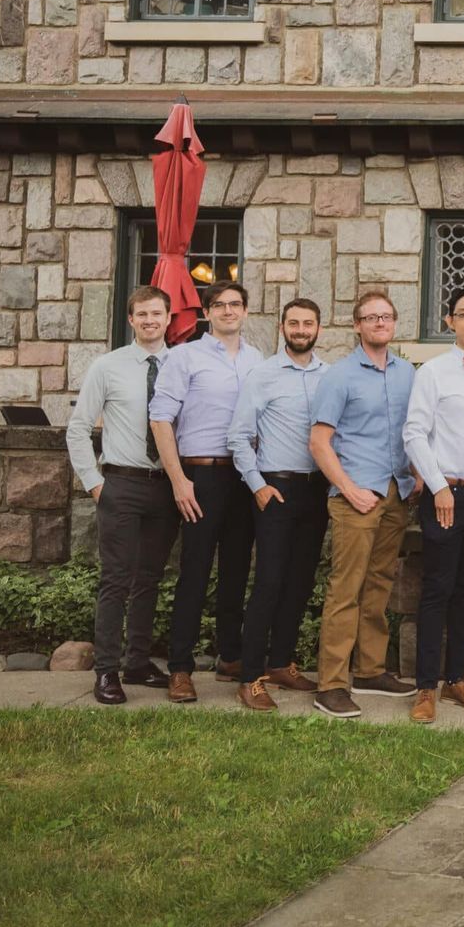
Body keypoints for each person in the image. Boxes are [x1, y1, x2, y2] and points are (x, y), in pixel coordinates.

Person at [149, 280, 264, 704]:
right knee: (194, 572)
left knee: (236, 570)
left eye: (236, 304)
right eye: (220, 305)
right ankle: (180, 667)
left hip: (245, 475)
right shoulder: (185, 357)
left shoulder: (258, 361)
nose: (229, 311)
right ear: (207, 312)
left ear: (246, 311)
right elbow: (161, 419)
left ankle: (229, 656)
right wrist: (179, 480)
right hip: (201, 475)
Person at [308, 290, 419, 719]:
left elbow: (415, 429)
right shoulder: (340, 376)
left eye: (386, 316)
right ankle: (331, 684)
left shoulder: (408, 373)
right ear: (357, 325)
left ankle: (370, 670)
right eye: (370, 317)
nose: (379, 323)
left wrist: (419, 475)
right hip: (356, 495)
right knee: (346, 590)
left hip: (396, 492)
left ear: (394, 323)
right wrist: (349, 488)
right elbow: (319, 443)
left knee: (379, 587)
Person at [66, 286, 176, 705]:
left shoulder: (181, 366)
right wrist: (95, 483)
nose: (150, 321)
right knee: (116, 579)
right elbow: (77, 429)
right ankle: (106, 671)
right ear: (131, 320)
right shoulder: (107, 367)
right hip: (122, 484)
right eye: (142, 314)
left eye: (157, 314)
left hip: (166, 488)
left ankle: (138, 661)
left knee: (150, 578)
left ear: (169, 319)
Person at [400, 288, 464, 724]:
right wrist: (438, 486)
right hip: (447, 495)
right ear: (449, 322)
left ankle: (457, 678)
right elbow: (413, 434)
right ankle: (426, 687)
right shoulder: (434, 373)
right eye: (463, 314)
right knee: (437, 589)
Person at [226, 298, 329, 712]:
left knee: (301, 580)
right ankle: (251, 677)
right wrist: (257, 486)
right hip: (276, 488)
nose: (301, 329)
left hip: (317, 490)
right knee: (268, 582)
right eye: (294, 322)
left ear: (319, 328)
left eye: (308, 323)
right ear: (282, 327)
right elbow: (238, 436)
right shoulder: (262, 375)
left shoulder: (331, 377)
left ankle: (281, 662)